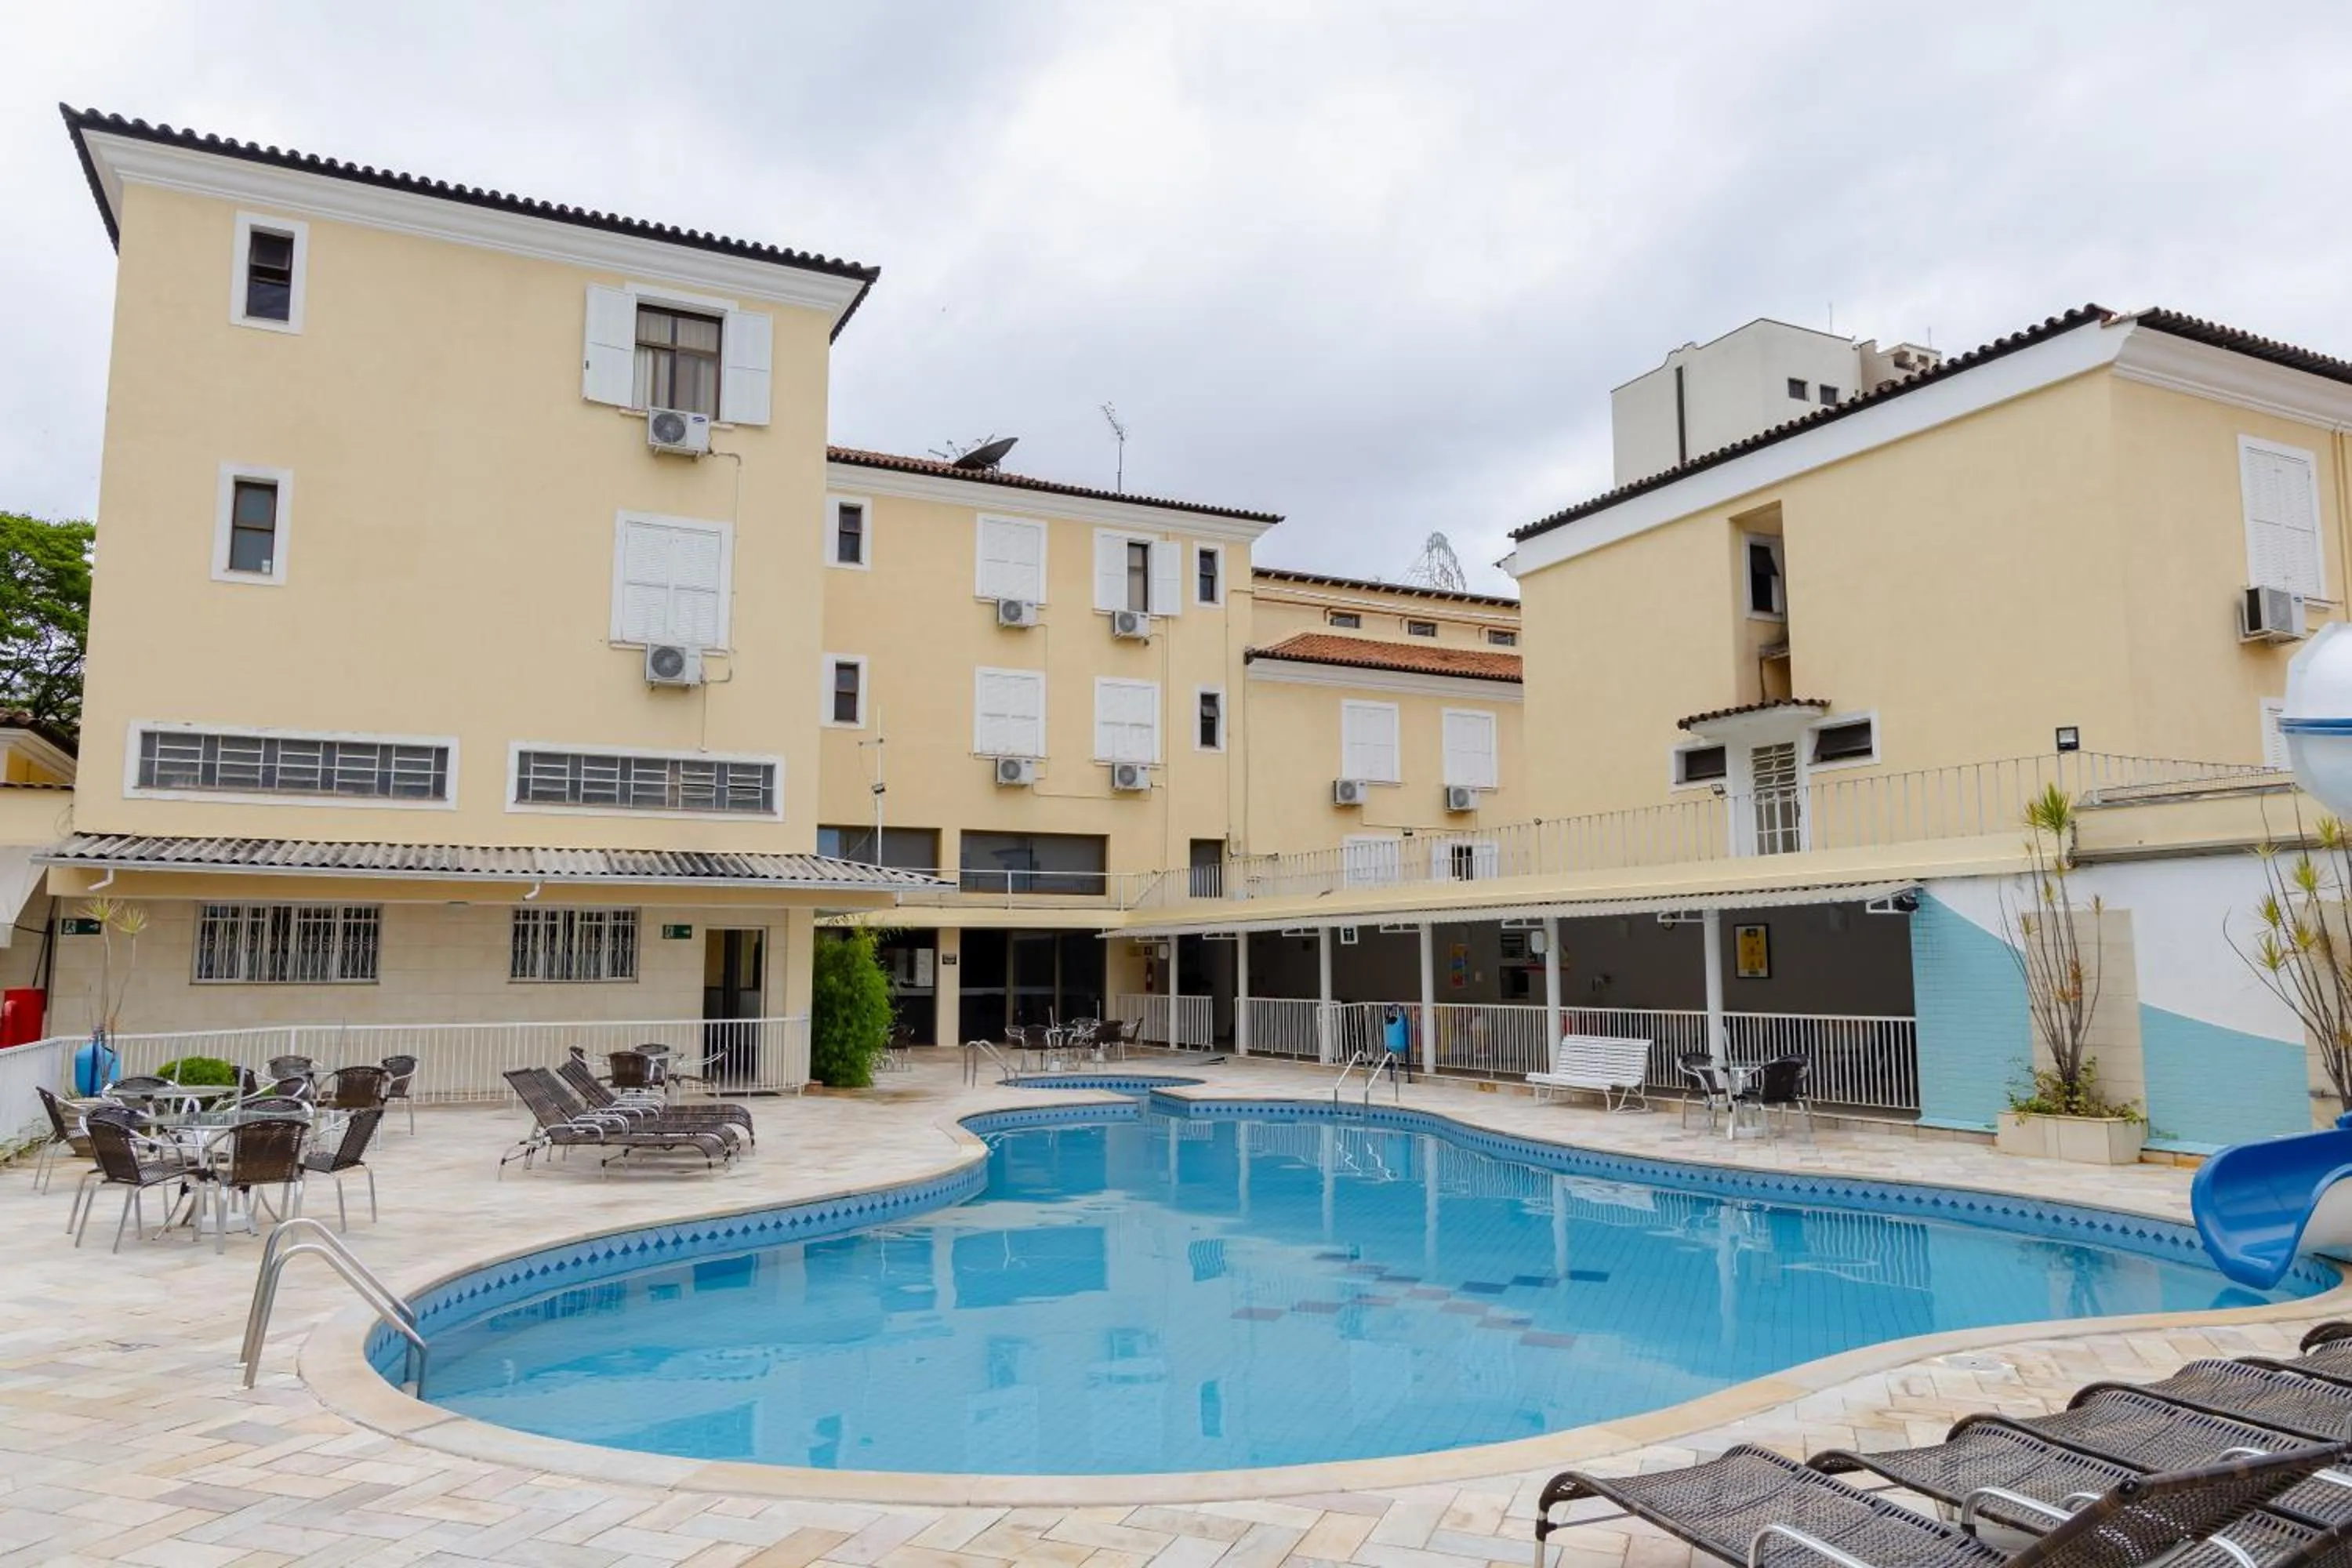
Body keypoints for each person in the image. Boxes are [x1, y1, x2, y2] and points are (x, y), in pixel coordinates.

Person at [1381, 1004, 1413, 1084]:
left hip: (1390, 1045)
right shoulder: (1400, 1023)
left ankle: (1392, 1076)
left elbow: (1388, 1017)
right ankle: (1408, 1078)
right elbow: (1402, 1019)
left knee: (1391, 1060)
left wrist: (1390, 1010)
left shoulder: (1388, 1025)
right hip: (1402, 1044)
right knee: (1407, 1060)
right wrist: (1401, 1011)